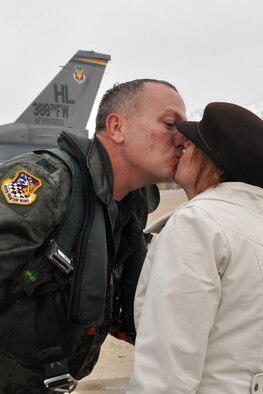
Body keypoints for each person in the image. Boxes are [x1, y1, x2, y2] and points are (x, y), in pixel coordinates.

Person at [0, 78, 186, 393]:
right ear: (116, 128)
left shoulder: (123, 210)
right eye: (171, 124)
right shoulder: (46, 185)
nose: (182, 139)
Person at [127, 102, 263, 394]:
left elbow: (166, 370)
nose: (180, 146)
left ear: (210, 159)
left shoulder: (197, 224)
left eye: (190, 145)